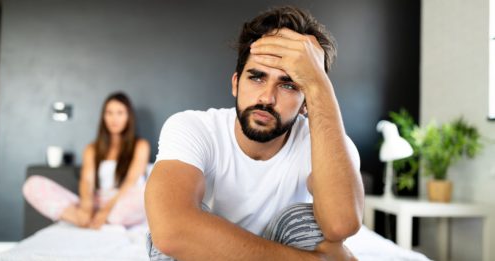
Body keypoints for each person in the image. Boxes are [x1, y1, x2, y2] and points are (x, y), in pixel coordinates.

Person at [145, 5, 364, 261]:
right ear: (236, 84)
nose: (267, 97)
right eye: (257, 78)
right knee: (173, 231)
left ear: (306, 102)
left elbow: (341, 224)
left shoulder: (328, 145)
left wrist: (318, 85)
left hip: (282, 244)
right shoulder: (193, 127)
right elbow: (171, 232)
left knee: (305, 222)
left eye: (288, 85)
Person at [23, 92, 150, 229]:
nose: (114, 119)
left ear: (128, 116)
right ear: (103, 116)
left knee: (147, 193)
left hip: (124, 201)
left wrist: (106, 211)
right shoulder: (92, 148)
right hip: (97, 202)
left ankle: (104, 220)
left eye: (120, 113)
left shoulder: (140, 146)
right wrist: (86, 208)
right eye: (109, 113)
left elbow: (130, 182)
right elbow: (87, 182)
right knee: (32, 184)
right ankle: (85, 220)